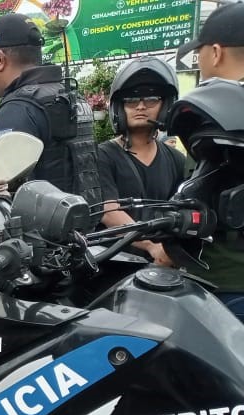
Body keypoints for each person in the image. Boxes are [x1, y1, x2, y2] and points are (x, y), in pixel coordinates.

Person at [0, 13, 101, 205]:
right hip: (86, 226)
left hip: (39, 233)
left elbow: (0, 194)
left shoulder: (18, 108)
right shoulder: (70, 96)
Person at [178, 1, 244, 320]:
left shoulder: (216, 119)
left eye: (200, 52)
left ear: (215, 52)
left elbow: (197, 197)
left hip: (223, 284)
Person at [97, 57, 185, 267]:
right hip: (117, 264)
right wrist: (152, 247)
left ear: (165, 106)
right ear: (120, 107)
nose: (141, 106)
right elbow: (109, 212)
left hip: (166, 264)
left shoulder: (177, 159)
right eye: (131, 101)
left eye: (152, 99)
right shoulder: (103, 155)